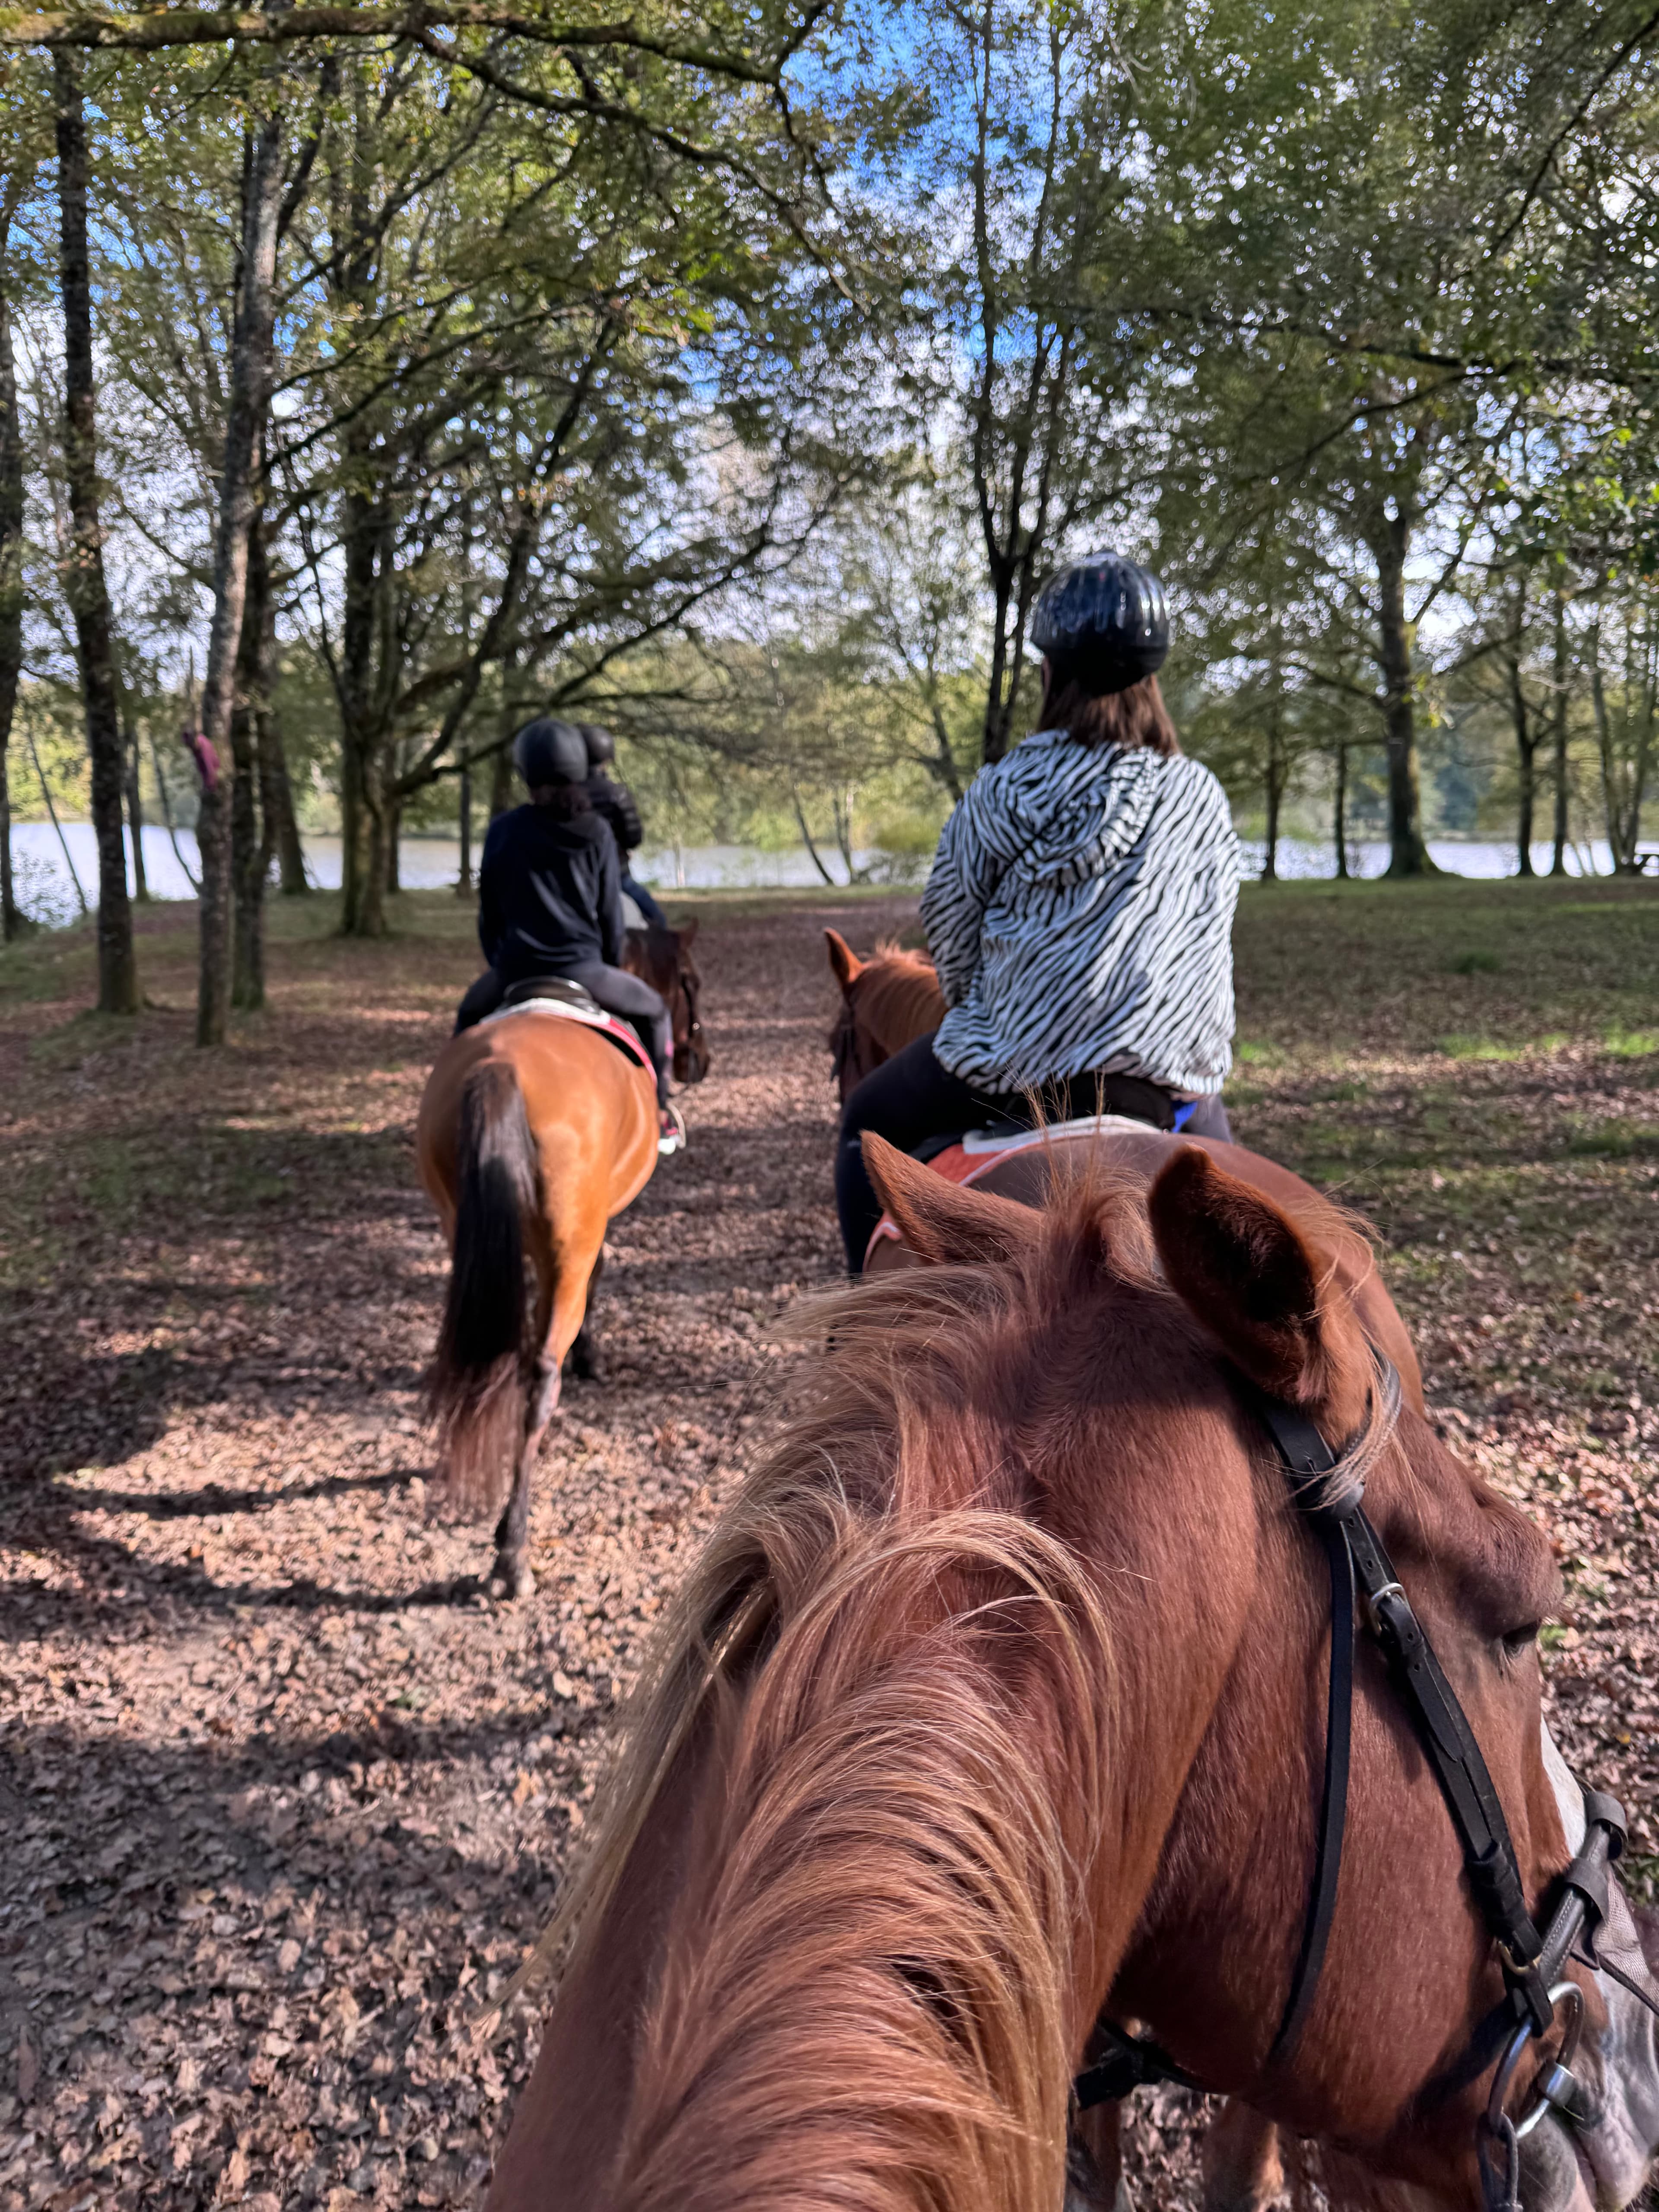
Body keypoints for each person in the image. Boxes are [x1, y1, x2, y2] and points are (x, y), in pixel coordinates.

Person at [835, 551, 1240, 1272]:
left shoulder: (1003, 790)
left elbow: (952, 931)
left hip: (1012, 1074)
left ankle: (853, 1313)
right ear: (1153, 678)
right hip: (1166, 1080)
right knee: (1251, 1234)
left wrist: (981, 1011)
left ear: (1049, 672)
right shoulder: (1200, 795)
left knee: (864, 1126)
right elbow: (1210, 937)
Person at [454, 717, 685, 1154]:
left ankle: (450, 1120)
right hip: (584, 969)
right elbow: (609, 915)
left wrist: (500, 963)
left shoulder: (503, 829)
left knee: (467, 1019)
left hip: (514, 971)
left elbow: (490, 915)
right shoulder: (597, 832)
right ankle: (659, 1115)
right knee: (655, 1012)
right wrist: (608, 963)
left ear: (526, 774)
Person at [581, 723, 667, 929]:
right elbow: (633, 837)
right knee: (659, 923)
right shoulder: (615, 793)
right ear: (607, 759)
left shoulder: (560, 797)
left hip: (575, 878)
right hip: (616, 875)